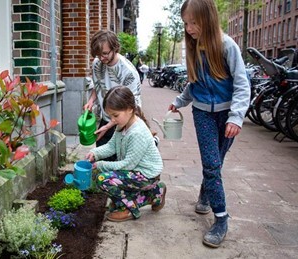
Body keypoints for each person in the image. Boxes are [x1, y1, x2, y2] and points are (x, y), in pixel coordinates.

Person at [168, 0, 250, 248]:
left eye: (194, 22)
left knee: (216, 163)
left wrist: (236, 116)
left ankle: (205, 192)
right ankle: (221, 219)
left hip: (227, 115)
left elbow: (242, 83)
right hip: (202, 113)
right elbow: (194, 83)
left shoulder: (226, 46)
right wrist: (180, 101)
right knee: (212, 164)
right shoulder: (193, 47)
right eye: (186, 23)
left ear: (208, 19)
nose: (190, 28)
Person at [85, 86, 166, 222]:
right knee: (106, 177)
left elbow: (128, 164)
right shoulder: (122, 126)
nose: (113, 120)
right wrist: (94, 153)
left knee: (104, 179)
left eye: (115, 115)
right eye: (110, 116)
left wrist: (100, 164)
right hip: (135, 172)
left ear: (130, 109)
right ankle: (155, 193)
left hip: (146, 175)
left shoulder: (137, 133)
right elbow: (112, 146)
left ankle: (128, 208)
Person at [84, 30, 158, 159]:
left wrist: (109, 126)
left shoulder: (128, 73)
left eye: (105, 53)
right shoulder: (97, 63)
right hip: (107, 118)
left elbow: (131, 106)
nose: (101, 58)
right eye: (98, 55)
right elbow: (98, 84)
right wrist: (91, 100)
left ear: (115, 48)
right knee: (101, 157)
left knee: (122, 164)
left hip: (125, 122)